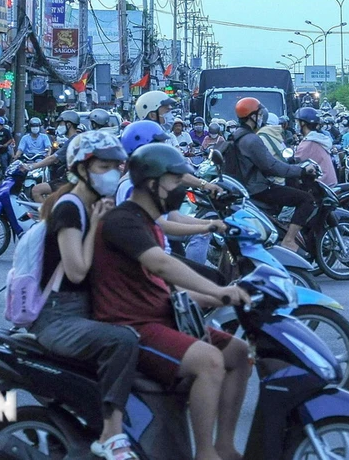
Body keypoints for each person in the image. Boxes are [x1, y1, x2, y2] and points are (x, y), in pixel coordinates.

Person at [91, 143, 252, 460]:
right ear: (153, 184)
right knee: (209, 361)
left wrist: (207, 295)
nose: (180, 188)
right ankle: (205, 453)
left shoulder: (150, 224)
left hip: (161, 316)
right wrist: (218, 291)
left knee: (238, 352)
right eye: (175, 181)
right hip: (134, 325)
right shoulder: (123, 222)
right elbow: (161, 266)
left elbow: (158, 285)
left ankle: (225, 446)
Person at [28, 131, 141, 460]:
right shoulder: (70, 208)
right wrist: (95, 225)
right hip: (58, 318)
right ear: (81, 169)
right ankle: (112, 434)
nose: (112, 174)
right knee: (123, 341)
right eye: (103, 166)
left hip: (78, 311)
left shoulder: (91, 205)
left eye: (115, 167)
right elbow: (77, 270)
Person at [116, 122, 225, 264]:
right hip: (151, 263)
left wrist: (211, 223)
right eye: (159, 146)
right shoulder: (133, 185)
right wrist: (205, 227)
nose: (163, 150)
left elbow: (173, 217)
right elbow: (160, 225)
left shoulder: (148, 178)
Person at [229, 97, 317, 253]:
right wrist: (301, 171)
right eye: (260, 114)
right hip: (257, 189)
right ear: (253, 116)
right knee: (306, 199)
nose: (262, 118)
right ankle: (289, 240)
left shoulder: (238, 135)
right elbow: (273, 166)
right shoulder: (252, 140)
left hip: (247, 186)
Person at [24, 110, 82, 202]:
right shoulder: (74, 139)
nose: (59, 126)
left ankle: (48, 216)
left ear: (69, 125)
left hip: (71, 180)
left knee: (36, 190)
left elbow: (53, 158)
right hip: (71, 177)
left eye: (61, 124)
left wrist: (31, 167)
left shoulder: (73, 140)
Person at [294, 107, 337, 187]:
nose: (296, 125)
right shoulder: (318, 138)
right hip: (329, 183)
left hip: (320, 186)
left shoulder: (308, 143)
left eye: (297, 122)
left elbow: (296, 162)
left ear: (303, 123)